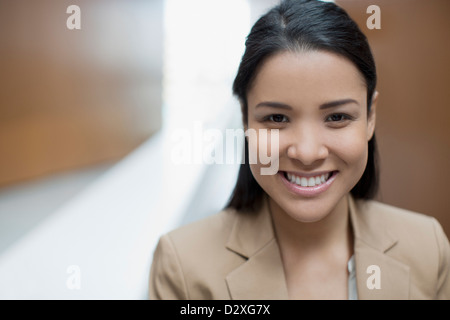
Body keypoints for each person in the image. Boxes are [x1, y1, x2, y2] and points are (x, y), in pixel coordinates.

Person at [149, 0, 450, 299]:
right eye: (276, 118)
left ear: (370, 116)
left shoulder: (427, 248)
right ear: (244, 119)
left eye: (337, 117)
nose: (306, 153)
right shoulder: (183, 266)